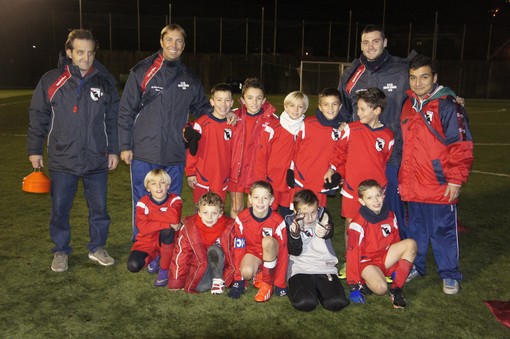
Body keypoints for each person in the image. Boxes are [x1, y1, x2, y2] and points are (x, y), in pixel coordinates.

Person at [118, 24, 233, 240]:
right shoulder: (142, 71)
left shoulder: (189, 77)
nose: (174, 45)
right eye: (169, 40)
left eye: (179, 41)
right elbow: (125, 110)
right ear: (161, 42)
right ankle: (143, 243)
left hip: (175, 152)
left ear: (184, 45)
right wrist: (125, 145)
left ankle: (166, 243)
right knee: (143, 201)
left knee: (171, 201)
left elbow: (202, 109)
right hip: (144, 150)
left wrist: (226, 115)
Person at [27, 29, 119, 272]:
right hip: (62, 157)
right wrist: (35, 149)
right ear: (69, 52)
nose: (85, 58)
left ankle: (97, 247)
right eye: (80, 52)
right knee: (60, 210)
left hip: (96, 157)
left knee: (99, 209)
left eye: (90, 53)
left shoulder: (104, 81)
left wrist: (114, 150)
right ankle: (60, 250)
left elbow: (113, 119)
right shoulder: (51, 80)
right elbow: (38, 116)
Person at [399, 54, 473, 295]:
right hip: (412, 182)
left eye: (424, 77)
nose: (418, 83)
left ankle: (450, 273)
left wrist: (455, 179)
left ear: (435, 78)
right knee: (416, 229)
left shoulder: (448, 105)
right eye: (413, 77)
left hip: (438, 183)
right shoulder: (408, 104)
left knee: (443, 230)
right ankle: (416, 266)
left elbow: (460, 145)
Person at [338, 24, 416, 239]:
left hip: (391, 155)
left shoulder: (402, 69)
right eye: (365, 42)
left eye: (375, 41)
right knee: (358, 212)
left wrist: (448, 95)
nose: (370, 46)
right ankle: (360, 257)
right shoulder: (352, 74)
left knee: (390, 208)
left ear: (385, 42)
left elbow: (423, 88)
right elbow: (342, 108)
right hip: (360, 157)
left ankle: (394, 256)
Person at [324, 87, 394, 278]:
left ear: (377, 110)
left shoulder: (388, 136)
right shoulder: (351, 129)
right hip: (352, 188)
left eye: (363, 109)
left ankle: (375, 261)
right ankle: (351, 261)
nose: (358, 113)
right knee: (351, 226)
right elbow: (340, 153)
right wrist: (333, 168)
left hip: (376, 191)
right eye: (358, 108)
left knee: (374, 226)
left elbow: (384, 159)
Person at [347, 180, 417, 309]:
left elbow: (395, 242)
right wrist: (353, 285)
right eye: (369, 198)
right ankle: (365, 283)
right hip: (367, 262)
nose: (375, 201)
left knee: (410, 244)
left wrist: (395, 268)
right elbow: (352, 255)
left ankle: (396, 289)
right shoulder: (357, 224)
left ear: (383, 195)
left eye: (378, 195)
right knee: (381, 289)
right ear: (362, 201)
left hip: (385, 257)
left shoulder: (390, 215)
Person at [285, 189, 350, 312]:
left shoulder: (323, 216)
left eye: (313, 212)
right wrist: (295, 234)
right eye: (304, 213)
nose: (310, 218)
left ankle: (320, 291)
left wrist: (326, 228)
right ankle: (311, 291)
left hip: (324, 267)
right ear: (295, 211)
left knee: (337, 302)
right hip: (300, 268)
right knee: (305, 303)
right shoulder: (289, 221)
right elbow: (295, 251)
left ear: (318, 208)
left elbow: (328, 229)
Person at [228, 181, 288, 302]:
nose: (260, 202)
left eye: (265, 198)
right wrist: (238, 279)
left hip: (272, 251)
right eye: (256, 197)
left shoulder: (278, 221)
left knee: (268, 241)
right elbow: (239, 248)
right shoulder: (242, 218)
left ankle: (267, 282)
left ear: (271, 201)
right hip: (253, 253)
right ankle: (261, 271)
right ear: (250, 199)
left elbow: (283, 251)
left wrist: (280, 283)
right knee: (246, 272)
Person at [229, 78, 278, 218]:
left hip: (258, 171)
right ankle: (236, 237)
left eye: (258, 98)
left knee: (255, 209)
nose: (254, 102)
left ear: (264, 100)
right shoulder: (234, 115)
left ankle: (252, 238)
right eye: (250, 98)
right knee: (236, 207)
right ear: (243, 100)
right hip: (237, 170)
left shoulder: (273, 120)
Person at [168, 192, 235, 294]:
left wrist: (238, 279)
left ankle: (218, 280)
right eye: (205, 213)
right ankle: (214, 278)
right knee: (200, 287)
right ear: (199, 213)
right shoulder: (189, 228)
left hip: (222, 263)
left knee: (214, 249)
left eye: (214, 213)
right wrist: (176, 281)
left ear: (220, 214)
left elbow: (237, 253)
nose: (209, 217)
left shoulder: (229, 227)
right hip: (201, 263)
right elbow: (181, 254)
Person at [289, 87, 345, 207]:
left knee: (317, 217)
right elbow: (295, 148)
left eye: (334, 104)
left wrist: (338, 173)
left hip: (321, 179)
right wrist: (291, 169)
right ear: (320, 107)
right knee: (299, 214)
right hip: (301, 177)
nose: (330, 108)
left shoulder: (344, 130)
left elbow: (343, 155)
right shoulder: (307, 123)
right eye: (326, 104)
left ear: (340, 107)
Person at [255, 91, 308, 217]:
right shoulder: (273, 127)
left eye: (300, 107)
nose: (295, 110)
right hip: (272, 179)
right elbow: (261, 155)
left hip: (291, 181)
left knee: (288, 214)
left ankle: (285, 235)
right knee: (267, 213)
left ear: (305, 109)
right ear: (285, 106)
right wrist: (261, 180)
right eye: (292, 106)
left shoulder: (306, 128)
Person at [126, 169, 182, 287]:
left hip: (168, 240)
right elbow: (143, 228)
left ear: (168, 186)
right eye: (153, 183)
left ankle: (164, 269)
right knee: (133, 266)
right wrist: (166, 222)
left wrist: (151, 218)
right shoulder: (142, 203)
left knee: (167, 231)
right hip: (147, 240)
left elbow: (174, 218)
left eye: (162, 182)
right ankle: (157, 256)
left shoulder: (175, 200)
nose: (158, 187)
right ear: (148, 188)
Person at [185, 83, 236, 205]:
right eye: (219, 100)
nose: (223, 104)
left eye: (227, 100)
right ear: (212, 102)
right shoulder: (201, 124)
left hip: (221, 178)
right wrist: (190, 172)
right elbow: (192, 150)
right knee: (200, 211)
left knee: (218, 211)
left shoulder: (234, 125)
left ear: (232, 103)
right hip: (202, 176)